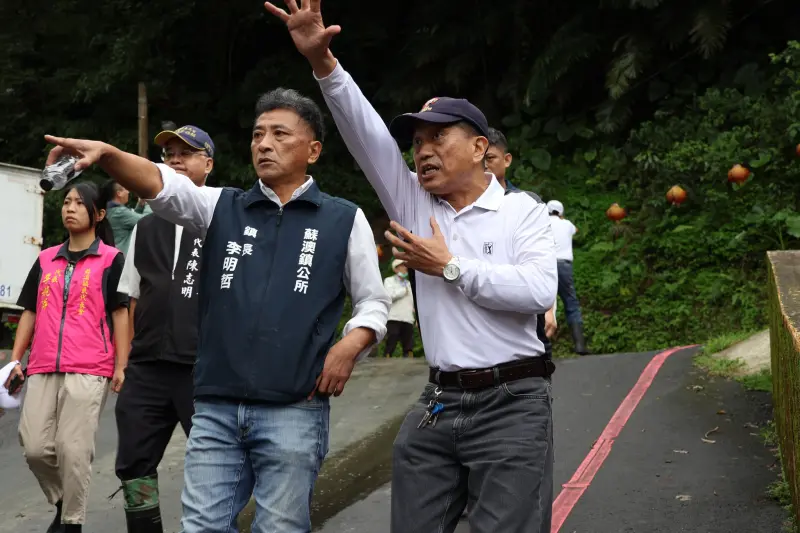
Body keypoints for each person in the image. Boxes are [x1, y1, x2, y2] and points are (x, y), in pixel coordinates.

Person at [42, 86, 391, 533]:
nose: (264, 144)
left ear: (313, 150)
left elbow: (373, 301)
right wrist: (108, 154)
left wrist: (351, 344)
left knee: (280, 527)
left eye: (280, 134)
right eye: (258, 134)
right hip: (215, 408)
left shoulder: (343, 219)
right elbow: (162, 184)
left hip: (294, 408)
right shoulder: (221, 206)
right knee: (202, 526)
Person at [265, 3, 558, 532]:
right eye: (417, 142)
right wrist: (323, 62)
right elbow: (367, 135)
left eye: (437, 137)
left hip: (513, 401)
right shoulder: (414, 204)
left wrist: (450, 267)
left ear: (480, 147)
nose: (422, 151)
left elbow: (538, 292)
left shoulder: (524, 213)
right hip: (441, 400)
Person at [6, 181, 129, 533]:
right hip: (43, 363)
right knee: (34, 446)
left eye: (79, 203)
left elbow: (120, 313)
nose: (70, 208)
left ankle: (72, 523)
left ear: (99, 214)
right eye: (66, 202)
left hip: (90, 366)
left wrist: (122, 365)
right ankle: (63, 502)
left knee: (72, 449)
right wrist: (15, 359)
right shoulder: (46, 258)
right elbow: (29, 311)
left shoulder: (111, 259)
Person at [113, 125, 215, 533]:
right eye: (169, 153)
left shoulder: (224, 218)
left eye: (186, 153)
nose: (175, 159)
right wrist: (125, 362)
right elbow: (131, 299)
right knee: (133, 460)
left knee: (214, 461)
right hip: (147, 365)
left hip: (202, 367)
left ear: (208, 164)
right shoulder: (146, 225)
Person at [486, 127, 558, 352]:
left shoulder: (527, 205)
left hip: (527, 323)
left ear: (506, 160)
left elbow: (543, 263)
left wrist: (550, 309)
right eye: (479, 159)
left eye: (490, 158)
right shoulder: (461, 207)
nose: (484, 165)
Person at [547, 200, 589, 355]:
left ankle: (543, 347)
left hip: (547, 265)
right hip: (564, 266)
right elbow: (576, 230)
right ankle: (579, 345)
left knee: (546, 304)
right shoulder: (567, 224)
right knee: (571, 303)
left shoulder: (542, 224)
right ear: (561, 212)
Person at [103, 181, 150, 256]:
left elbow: (132, 220)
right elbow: (147, 220)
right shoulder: (119, 212)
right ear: (119, 193)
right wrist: (149, 202)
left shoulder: (112, 210)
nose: (128, 192)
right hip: (123, 257)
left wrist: (140, 205)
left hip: (116, 255)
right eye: (125, 189)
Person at [382, 258, 415, 358]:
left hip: (407, 318)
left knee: (408, 344)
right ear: (395, 269)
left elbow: (412, 301)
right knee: (391, 340)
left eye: (405, 266)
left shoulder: (408, 283)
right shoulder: (389, 281)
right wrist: (403, 291)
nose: (405, 268)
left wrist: (416, 317)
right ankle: (386, 360)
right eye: (402, 266)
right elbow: (389, 296)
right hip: (394, 316)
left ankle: (409, 363)